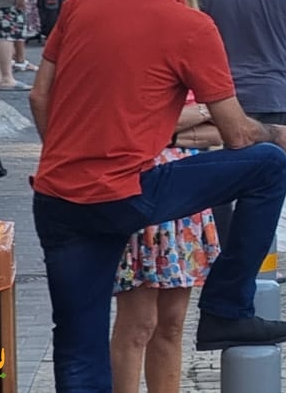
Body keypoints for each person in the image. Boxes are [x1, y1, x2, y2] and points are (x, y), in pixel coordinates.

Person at [28, 0, 286, 391]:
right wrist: (277, 134)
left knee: (77, 343)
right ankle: (226, 306)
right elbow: (237, 135)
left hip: (57, 197)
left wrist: (69, 158)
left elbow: (38, 96)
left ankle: (224, 307)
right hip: (127, 192)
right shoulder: (191, 26)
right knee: (267, 165)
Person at [108, 96, 222, 393]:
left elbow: (224, 128)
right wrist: (198, 115)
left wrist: (166, 132)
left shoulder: (194, 66)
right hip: (140, 191)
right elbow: (127, 127)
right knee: (139, 323)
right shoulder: (131, 64)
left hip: (188, 198)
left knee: (172, 323)